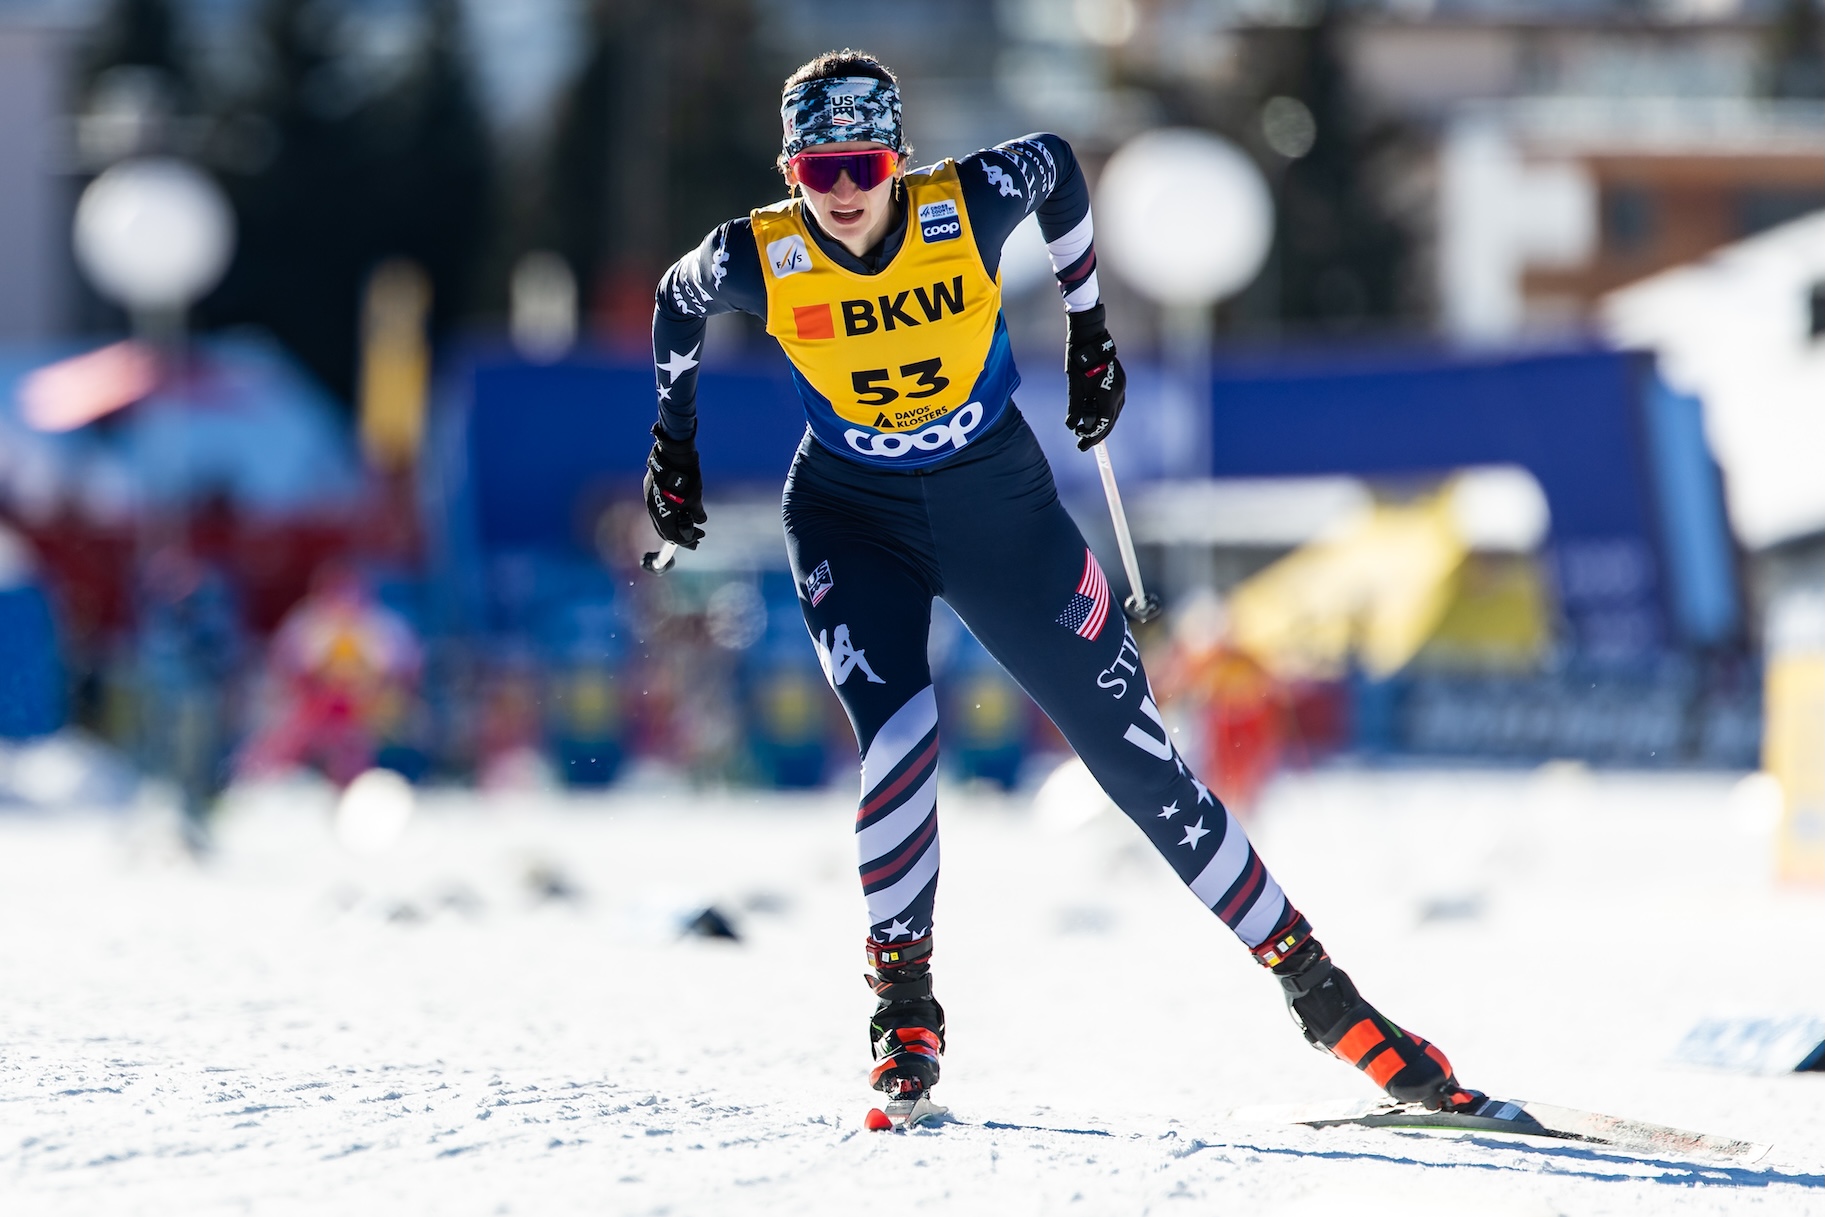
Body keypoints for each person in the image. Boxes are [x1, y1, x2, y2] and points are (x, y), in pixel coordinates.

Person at [644, 49, 1476, 1113]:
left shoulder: (967, 200)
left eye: (861, 164)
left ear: (897, 158)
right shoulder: (756, 254)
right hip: (854, 517)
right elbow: (675, 300)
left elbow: (1057, 168)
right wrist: (672, 446)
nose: (843, 193)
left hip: (1000, 506)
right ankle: (903, 1003)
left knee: (1137, 760)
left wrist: (1090, 327)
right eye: (816, 173)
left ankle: (1324, 995)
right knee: (900, 737)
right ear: (788, 172)